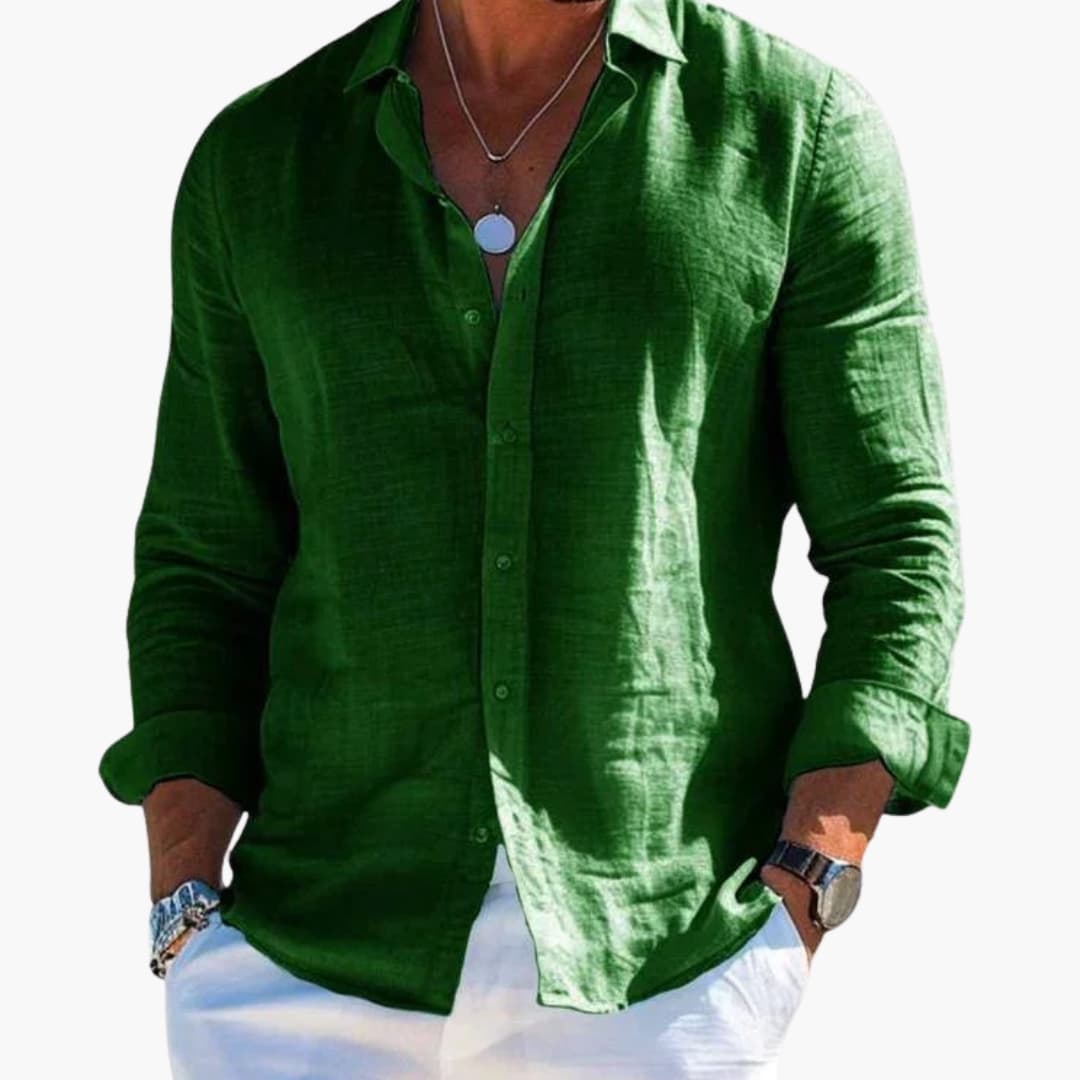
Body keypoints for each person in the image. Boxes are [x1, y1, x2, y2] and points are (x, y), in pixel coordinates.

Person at [97, 0, 972, 1077]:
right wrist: (184, 898)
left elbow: (896, 540)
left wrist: (810, 881)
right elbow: (203, 559)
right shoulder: (261, 159)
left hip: (665, 961)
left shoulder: (795, 130)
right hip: (298, 963)